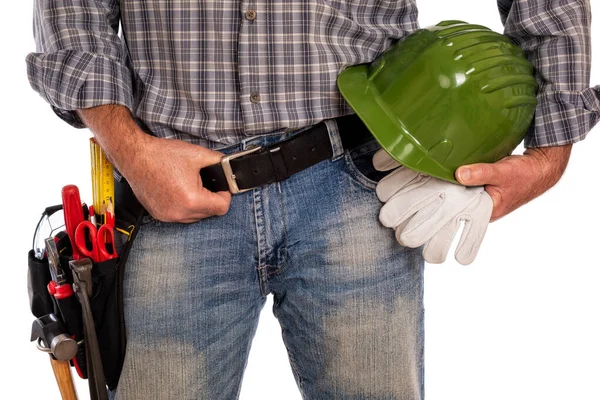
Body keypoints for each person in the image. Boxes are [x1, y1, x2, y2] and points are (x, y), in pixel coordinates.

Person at [26, 1, 599, 399]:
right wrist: (129, 148)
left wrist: (547, 159)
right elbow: (71, 9)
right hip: (171, 189)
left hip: (363, 183)